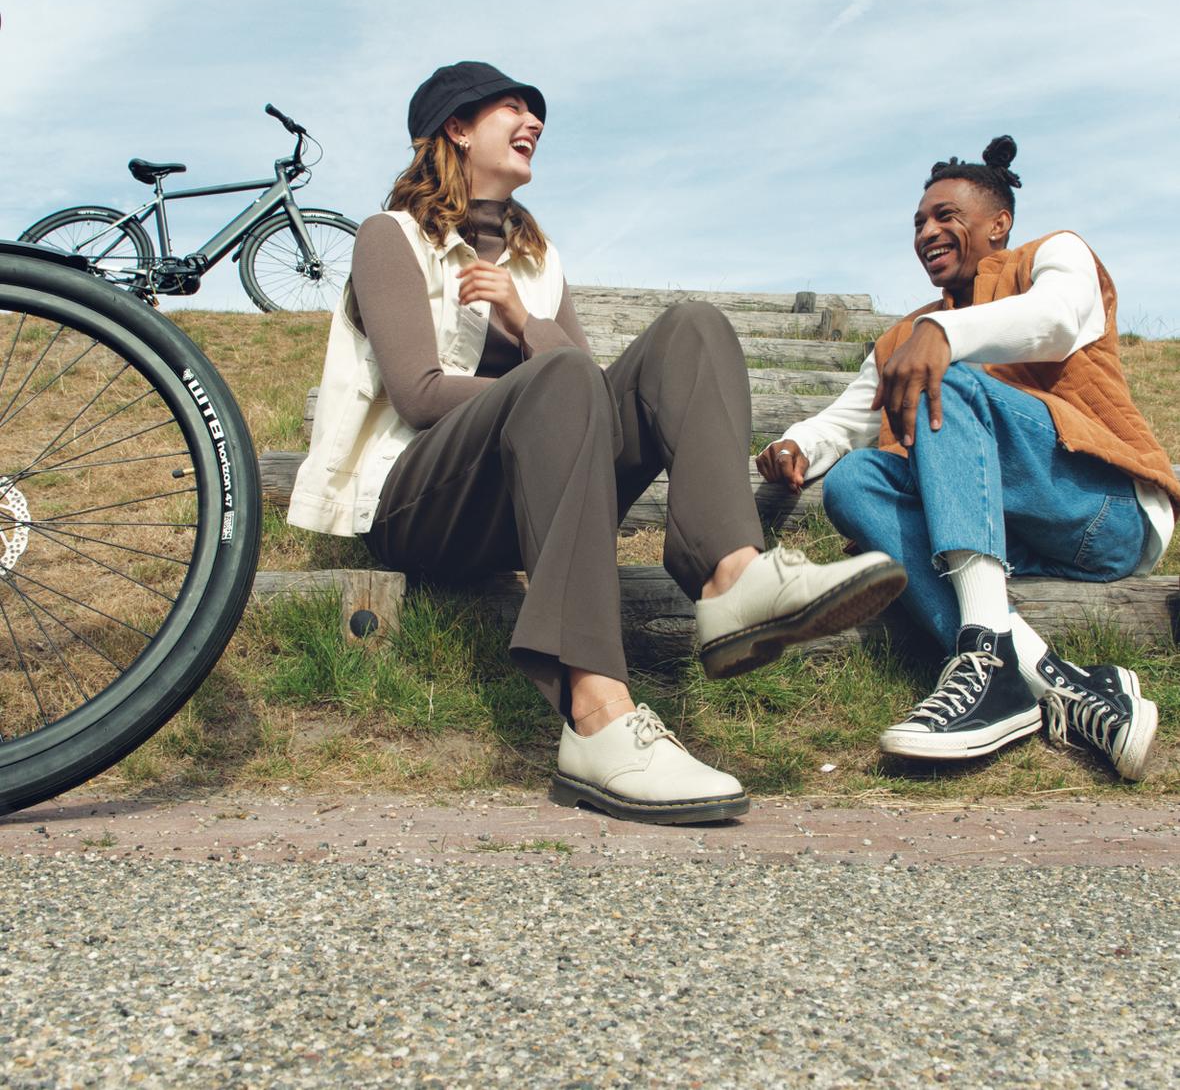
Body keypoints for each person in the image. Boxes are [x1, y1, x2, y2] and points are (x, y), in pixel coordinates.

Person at [288, 60, 906, 824]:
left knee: (693, 328)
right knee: (565, 380)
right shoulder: (392, 239)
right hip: (422, 506)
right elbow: (418, 394)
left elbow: (590, 394)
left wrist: (524, 321)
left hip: (527, 503)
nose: (534, 123)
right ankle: (596, 717)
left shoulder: (538, 261)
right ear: (455, 127)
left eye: (535, 113)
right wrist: (536, 382)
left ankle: (733, 578)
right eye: (511, 109)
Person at [757, 136, 1177, 779]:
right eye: (919, 222)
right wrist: (796, 445)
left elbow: (1058, 319)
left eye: (945, 215)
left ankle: (983, 654)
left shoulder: (1053, 256)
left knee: (943, 380)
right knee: (855, 481)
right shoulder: (908, 334)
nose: (927, 231)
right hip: (1003, 531)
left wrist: (946, 337)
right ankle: (1050, 679)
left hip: (1103, 513)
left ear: (998, 223)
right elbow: (843, 422)